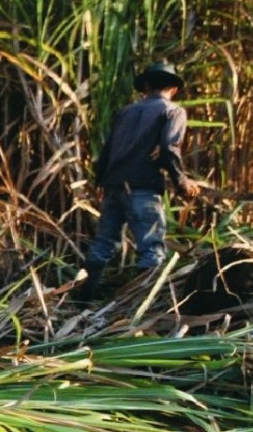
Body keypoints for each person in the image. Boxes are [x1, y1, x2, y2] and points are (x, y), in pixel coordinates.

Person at [77, 62, 200, 300]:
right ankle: (143, 308)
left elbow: (107, 150)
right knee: (151, 251)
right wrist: (182, 182)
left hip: (113, 186)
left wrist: (100, 182)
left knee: (102, 245)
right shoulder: (173, 111)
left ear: (145, 86)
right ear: (174, 88)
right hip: (143, 188)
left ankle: (83, 299)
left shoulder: (126, 112)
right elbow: (169, 148)